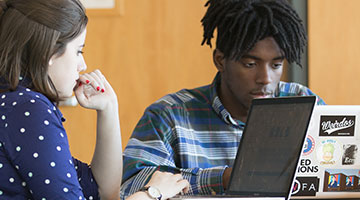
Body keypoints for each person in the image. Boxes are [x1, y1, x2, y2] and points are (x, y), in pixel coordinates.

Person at [121, 0, 326, 198]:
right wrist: (225, 178)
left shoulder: (306, 104)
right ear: (220, 60)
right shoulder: (170, 115)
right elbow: (130, 186)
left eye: (276, 65)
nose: (265, 78)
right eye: (250, 64)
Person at [0, 0, 188, 199]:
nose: (83, 64)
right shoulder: (27, 109)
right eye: (78, 51)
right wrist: (152, 194)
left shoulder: (16, 103)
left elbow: (102, 192)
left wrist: (109, 107)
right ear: (49, 52)